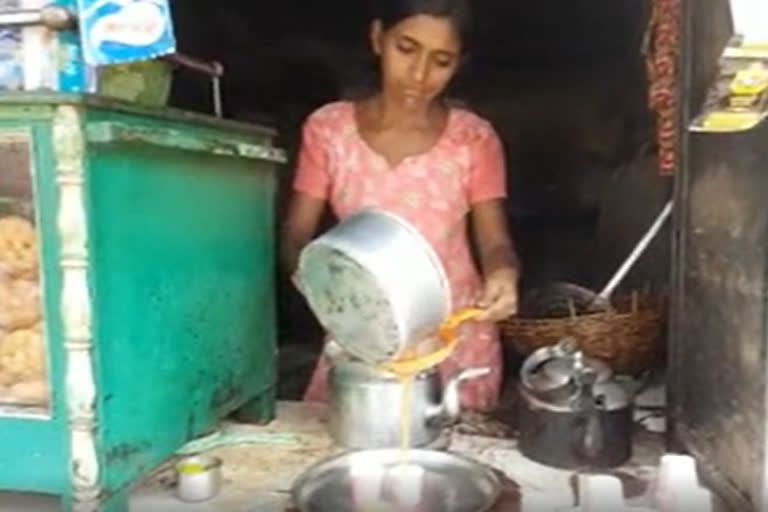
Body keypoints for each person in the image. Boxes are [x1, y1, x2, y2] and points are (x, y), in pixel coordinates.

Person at [280, 0, 521, 412]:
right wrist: (322, 287)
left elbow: (495, 241)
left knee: (446, 461)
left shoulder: (473, 140)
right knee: (356, 458)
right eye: (406, 49)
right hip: (364, 333)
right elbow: (295, 236)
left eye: (441, 61)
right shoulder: (329, 130)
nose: (419, 76)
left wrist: (503, 274)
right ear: (378, 38)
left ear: (458, 64)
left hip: (454, 338)